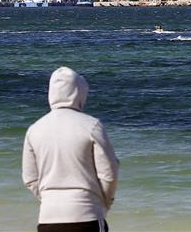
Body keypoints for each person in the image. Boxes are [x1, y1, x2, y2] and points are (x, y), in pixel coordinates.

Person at [23, 67, 119, 232]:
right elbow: (109, 173)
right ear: (80, 93)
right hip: (87, 216)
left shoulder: (34, 129)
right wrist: (104, 203)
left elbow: (30, 179)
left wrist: (50, 200)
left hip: (48, 219)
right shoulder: (91, 126)